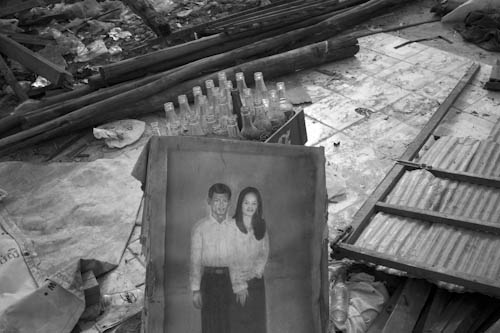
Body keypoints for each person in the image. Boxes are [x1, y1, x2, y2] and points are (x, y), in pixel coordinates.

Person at [190, 183, 241, 333]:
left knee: (230, 324)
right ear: (209, 201)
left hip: (229, 281)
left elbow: (237, 260)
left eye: (224, 201)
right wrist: (195, 290)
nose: (220, 205)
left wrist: (239, 285)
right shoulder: (200, 229)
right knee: (210, 324)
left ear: (229, 203)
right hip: (209, 281)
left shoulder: (235, 228)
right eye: (217, 200)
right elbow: (195, 261)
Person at [230, 186, 270, 333]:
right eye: (246, 203)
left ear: (258, 205)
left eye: (254, 203)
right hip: (236, 285)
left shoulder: (261, 225)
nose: (250, 207)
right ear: (240, 204)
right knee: (239, 326)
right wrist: (239, 285)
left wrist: (254, 272)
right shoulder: (231, 227)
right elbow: (229, 258)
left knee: (257, 326)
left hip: (256, 283)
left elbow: (264, 253)